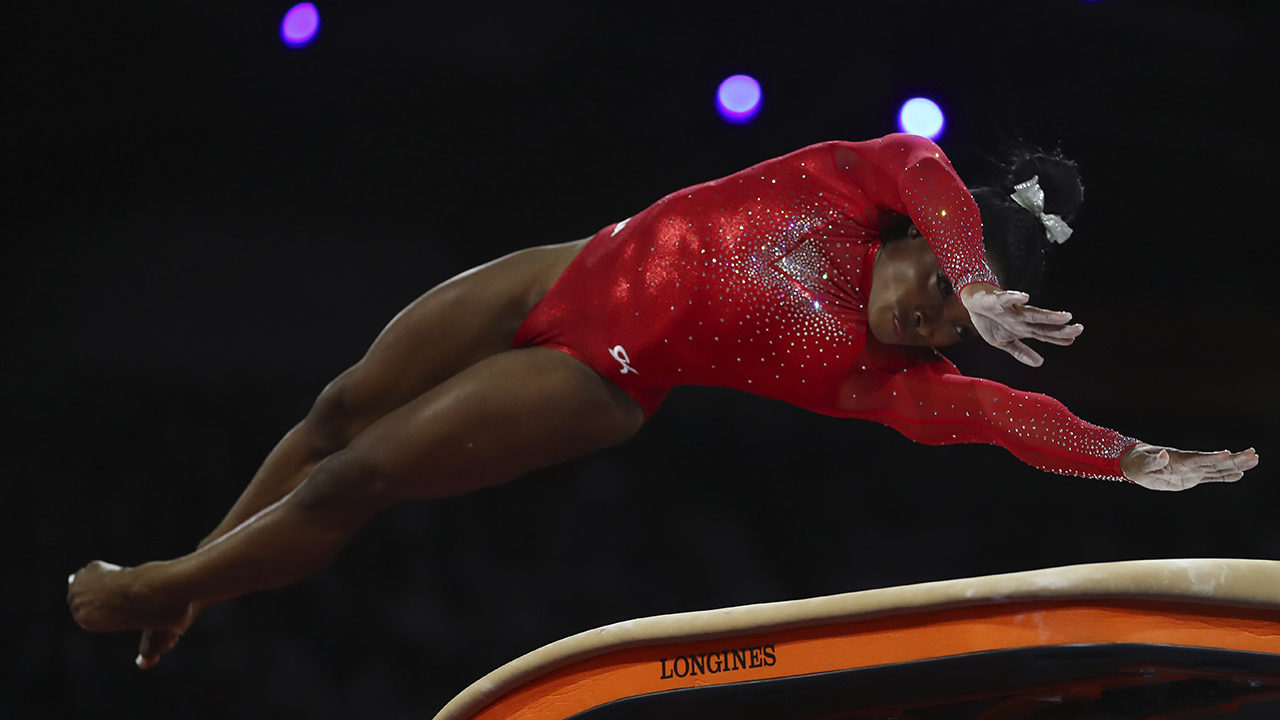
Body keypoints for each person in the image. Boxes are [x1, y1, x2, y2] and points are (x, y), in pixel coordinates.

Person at [66, 133, 1259, 668]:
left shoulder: (881, 379)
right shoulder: (847, 191)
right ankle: (204, 574)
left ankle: (152, 590)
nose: (935, 325)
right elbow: (919, 157)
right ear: (919, 242)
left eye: (957, 325)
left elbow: (1009, 421)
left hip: (597, 378)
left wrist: (1132, 458)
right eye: (937, 292)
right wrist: (983, 277)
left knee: (355, 478)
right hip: (559, 267)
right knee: (331, 410)